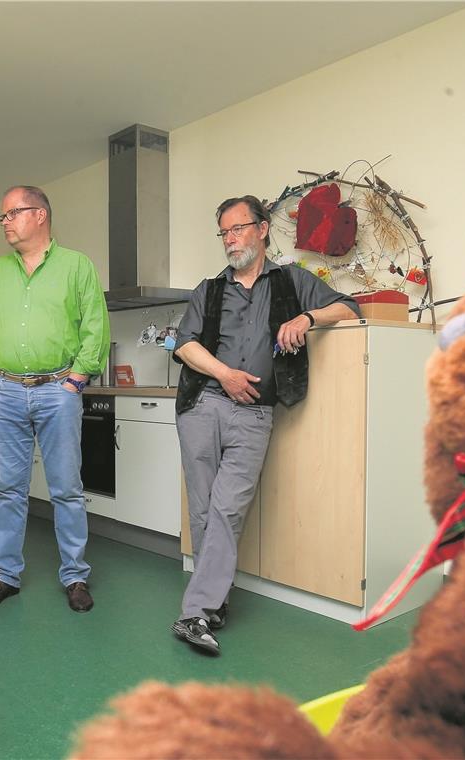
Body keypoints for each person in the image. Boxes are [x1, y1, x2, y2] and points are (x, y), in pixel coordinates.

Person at [171, 195, 359, 655]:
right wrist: (225, 375)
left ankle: (195, 612)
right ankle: (209, 605)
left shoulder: (292, 281)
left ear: (262, 230)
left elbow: (350, 309)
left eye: (238, 229)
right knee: (203, 509)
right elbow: (183, 345)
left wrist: (307, 317)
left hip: (256, 414)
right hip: (204, 404)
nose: (230, 239)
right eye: (224, 233)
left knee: (227, 508)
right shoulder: (210, 290)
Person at [0, 185, 110, 613]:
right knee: (8, 489)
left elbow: (95, 324)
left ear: (39, 215)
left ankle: (75, 576)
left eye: (12, 213)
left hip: (57, 389)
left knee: (66, 489)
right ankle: (6, 576)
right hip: (5, 390)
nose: (5, 222)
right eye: (2, 216)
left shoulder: (76, 266)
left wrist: (77, 378)